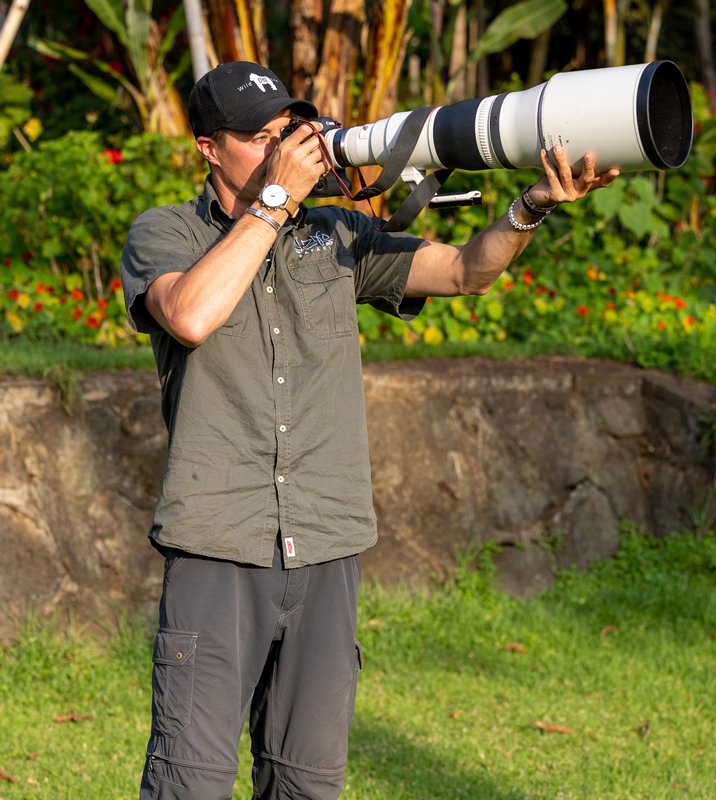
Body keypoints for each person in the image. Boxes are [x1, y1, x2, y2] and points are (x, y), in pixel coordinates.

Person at [121, 60, 619, 800]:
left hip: (327, 543)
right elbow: (191, 315)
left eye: (287, 133)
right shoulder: (165, 233)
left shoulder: (335, 233)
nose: (280, 150)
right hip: (219, 544)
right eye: (259, 138)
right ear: (208, 148)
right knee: (188, 784)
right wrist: (277, 200)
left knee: (307, 785)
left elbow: (462, 273)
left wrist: (531, 205)